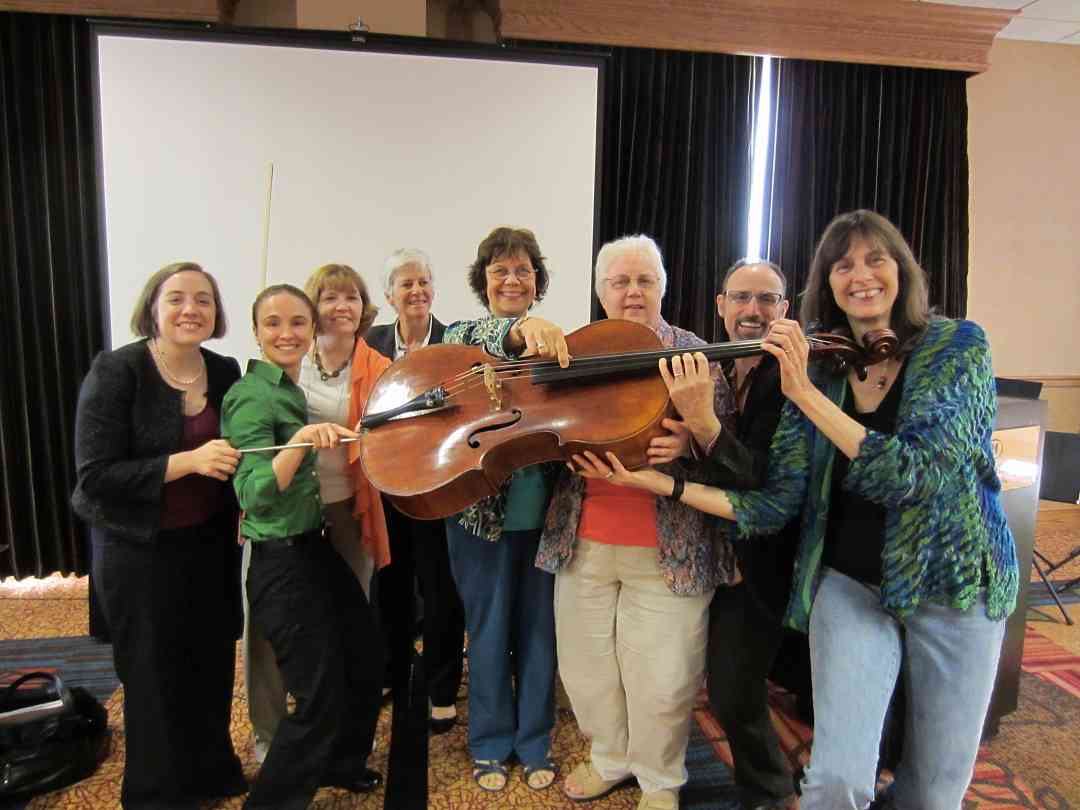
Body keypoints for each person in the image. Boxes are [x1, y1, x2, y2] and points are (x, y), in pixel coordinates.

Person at [577, 211, 1019, 810]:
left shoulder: (954, 346)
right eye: (842, 266)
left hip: (953, 582)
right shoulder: (818, 364)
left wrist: (791, 398)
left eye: (874, 260)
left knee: (934, 791)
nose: (859, 276)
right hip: (847, 582)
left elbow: (918, 476)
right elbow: (773, 497)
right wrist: (657, 482)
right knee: (837, 778)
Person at [542, 234, 738, 810]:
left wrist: (695, 436)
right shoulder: (574, 354)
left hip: (669, 549)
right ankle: (610, 758)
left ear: (663, 287)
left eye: (644, 281)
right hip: (581, 540)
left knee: (663, 678)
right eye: (619, 282)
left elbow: (732, 455)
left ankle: (659, 780)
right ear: (601, 289)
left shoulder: (699, 356)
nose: (632, 293)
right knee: (587, 668)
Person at [72, 262, 246, 808]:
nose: (190, 309)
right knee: (152, 677)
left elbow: (239, 453)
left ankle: (209, 774)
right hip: (138, 553)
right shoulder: (117, 370)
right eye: (176, 299)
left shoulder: (224, 370)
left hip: (209, 547)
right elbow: (95, 476)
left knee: (210, 666)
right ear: (152, 307)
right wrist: (186, 462)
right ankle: (156, 795)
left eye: (203, 300)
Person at [222, 284, 383, 809]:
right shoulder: (252, 394)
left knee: (362, 656)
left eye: (297, 322)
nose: (286, 333)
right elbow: (252, 492)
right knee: (318, 694)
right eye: (273, 323)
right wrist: (296, 444)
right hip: (281, 560)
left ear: (312, 330)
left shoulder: (292, 390)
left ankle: (340, 762)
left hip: (314, 550)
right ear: (256, 332)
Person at [666, 258, 799, 810]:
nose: (752, 310)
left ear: (785, 312)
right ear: (719, 305)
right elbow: (724, 465)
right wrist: (687, 449)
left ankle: (769, 792)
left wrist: (701, 425)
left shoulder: (786, 378)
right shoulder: (719, 370)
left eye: (766, 300)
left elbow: (761, 481)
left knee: (733, 693)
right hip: (724, 554)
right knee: (727, 687)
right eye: (741, 297)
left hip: (769, 561)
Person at [442, 226, 569, 793]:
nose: (512, 279)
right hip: (477, 517)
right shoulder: (463, 336)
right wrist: (519, 331)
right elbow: (483, 338)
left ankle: (534, 739)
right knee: (489, 630)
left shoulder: (558, 347)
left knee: (540, 631)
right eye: (501, 271)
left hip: (545, 518)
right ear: (484, 283)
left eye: (523, 271)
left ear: (537, 282)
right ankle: (490, 743)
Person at [367, 248, 465, 732]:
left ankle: (443, 687)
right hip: (385, 489)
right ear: (389, 295)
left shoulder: (454, 342)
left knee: (440, 587)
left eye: (424, 282)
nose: (417, 291)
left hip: (436, 487)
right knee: (390, 584)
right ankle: (393, 669)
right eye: (406, 284)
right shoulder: (372, 343)